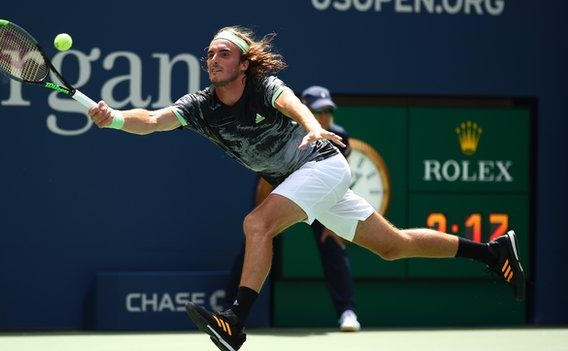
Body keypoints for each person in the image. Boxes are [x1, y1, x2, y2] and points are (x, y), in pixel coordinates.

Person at [87, 26, 525, 351]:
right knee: (392, 246)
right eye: (210, 54)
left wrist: (315, 126)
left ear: (243, 63)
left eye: (223, 53)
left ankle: (235, 322)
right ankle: (491, 252)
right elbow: (155, 119)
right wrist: (117, 118)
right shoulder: (201, 107)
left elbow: (292, 103)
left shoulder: (262, 89)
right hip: (301, 181)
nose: (213, 59)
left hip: (322, 165)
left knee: (257, 223)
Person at [223, 86, 361, 332]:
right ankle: (229, 310)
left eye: (329, 111)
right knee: (255, 239)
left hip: (317, 191)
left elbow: (340, 174)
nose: (325, 118)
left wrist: (334, 223)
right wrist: (264, 222)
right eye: (319, 112)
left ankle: (347, 311)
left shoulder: (338, 135)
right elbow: (266, 181)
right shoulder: (282, 131)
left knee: (333, 243)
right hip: (280, 189)